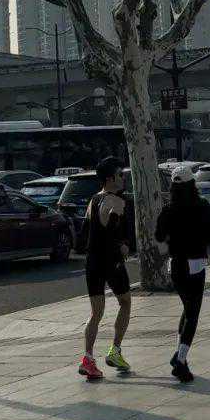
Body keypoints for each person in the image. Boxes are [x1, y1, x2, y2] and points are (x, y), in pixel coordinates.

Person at [155, 163, 210, 382]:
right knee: (193, 313)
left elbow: (159, 236)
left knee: (187, 308)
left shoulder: (168, 210)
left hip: (175, 263)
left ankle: (179, 354)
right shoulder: (201, 205)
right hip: (196, 263)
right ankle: (181, 360)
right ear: (193, 184)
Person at [79, 156, 133, 380]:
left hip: (92, 261)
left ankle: (88, 359)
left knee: (96, 313)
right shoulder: (116, 202)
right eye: (120, 174)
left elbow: (84, 233)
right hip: (111, 261)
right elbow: (113, 228)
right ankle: (115, 351)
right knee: (125, 302)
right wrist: (122, 246)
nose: (123, 178)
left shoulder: (93, 200)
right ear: (110, 179)